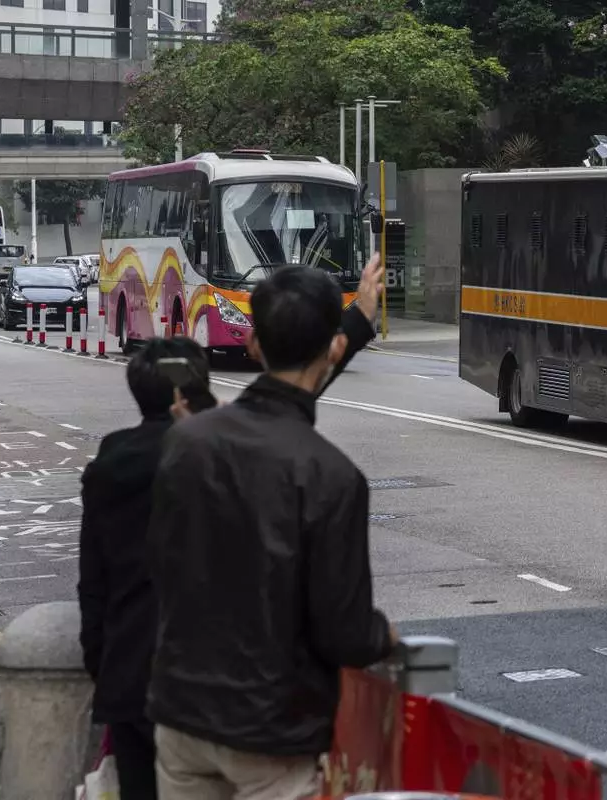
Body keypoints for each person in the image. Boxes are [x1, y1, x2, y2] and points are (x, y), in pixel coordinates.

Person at [78, 254, 386, 800]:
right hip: (268, 732)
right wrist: (386, 637)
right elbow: (346, 633)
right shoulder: (332, 476)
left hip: (179, 719)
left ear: (252, 346)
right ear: (333, 348)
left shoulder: (188, 442)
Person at [78, 336, 213, 799]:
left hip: (129, 673)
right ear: (190, 391)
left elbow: (92, 580)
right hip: (208, 679)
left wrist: (101, 663)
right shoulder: (215, 456)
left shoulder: (110, 462)